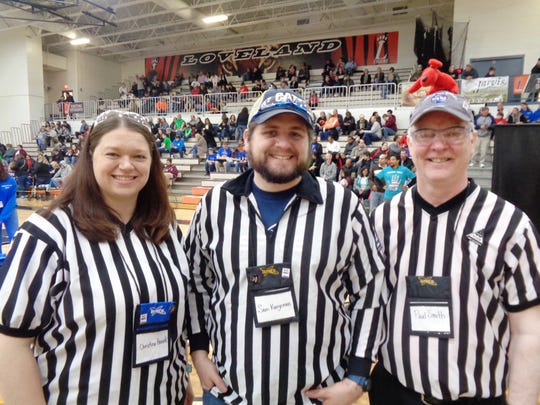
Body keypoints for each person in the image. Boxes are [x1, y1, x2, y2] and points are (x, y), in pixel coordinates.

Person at [186, 89, 386, 405]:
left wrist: (358, 374)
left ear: (310, 144)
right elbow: (195, 284)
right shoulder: (214, 206)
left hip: (318, 396)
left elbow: (371, 289)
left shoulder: (342, 206)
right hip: (229, 393)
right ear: (248, 139)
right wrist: (198, 351)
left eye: (295, 133)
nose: (283, 143)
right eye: (270, 132)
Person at [0, 110, 193, 404]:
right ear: (90, 158)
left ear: (152, 162)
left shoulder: (166, 231)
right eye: (113, 153)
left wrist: (177, 380)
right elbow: (10, 343)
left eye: (139, 156)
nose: (126, 165)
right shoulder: (47, 234)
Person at [370, 91, 540, 405]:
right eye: (425, 134)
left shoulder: (510, 225)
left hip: (475, 397)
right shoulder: (383, 220)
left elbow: (529, 333)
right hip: (394, 393)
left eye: (453, 133)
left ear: (473, 140)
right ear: (409, 143)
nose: (438, 145)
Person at [0, 162, 18, 243]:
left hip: (9, 210)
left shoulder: (11, 181)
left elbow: (11, 201)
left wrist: (2, 217)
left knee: (14, 236)